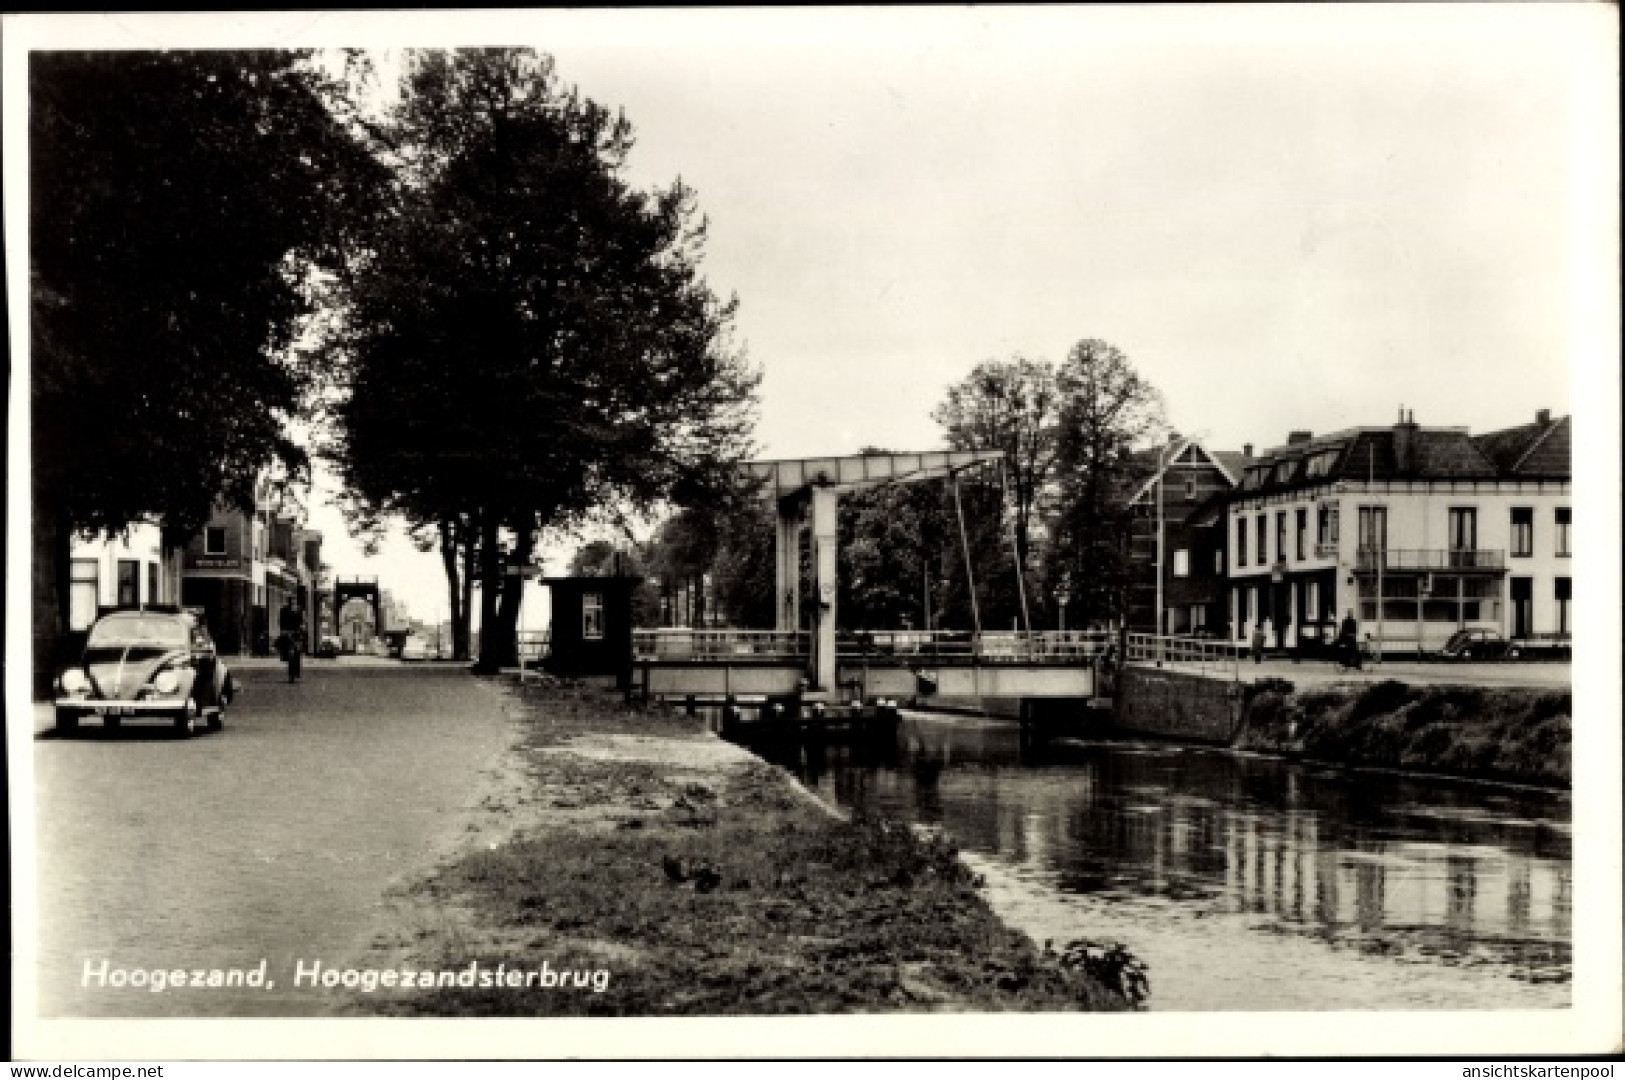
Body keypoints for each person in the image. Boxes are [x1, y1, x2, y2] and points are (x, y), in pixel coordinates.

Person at [278, 599, 304, 683]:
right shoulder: (284, 611)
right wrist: (284, 631)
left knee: (297, 653)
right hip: (288, 635)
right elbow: (281, 623)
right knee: (290, 653)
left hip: (296, 635)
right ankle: (291, 674)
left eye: (294, 603)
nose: (293, 605)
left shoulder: (299, 611)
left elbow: (302, 622)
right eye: (291, 603)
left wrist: (301, 629)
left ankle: (295, 672)